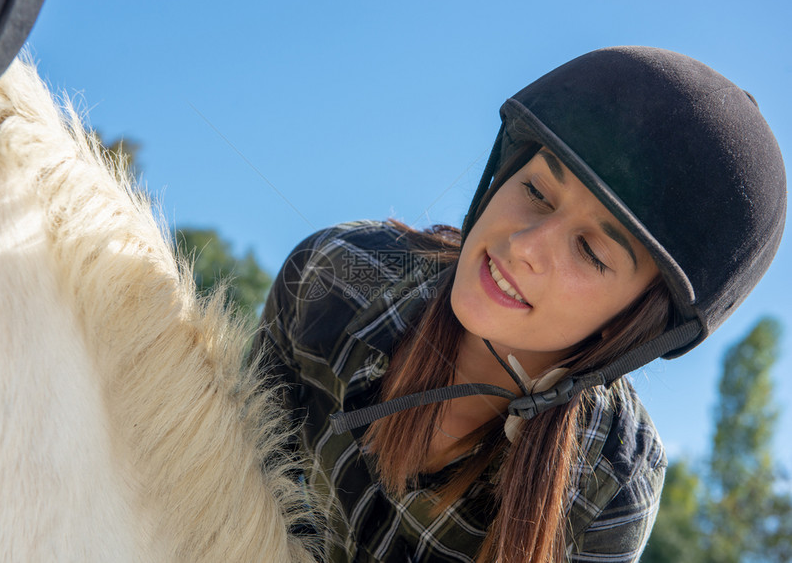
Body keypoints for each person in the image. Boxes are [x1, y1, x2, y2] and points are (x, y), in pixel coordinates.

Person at [251, 47, 786, 563]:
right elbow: (217, 478)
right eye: (536, 191)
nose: (524, 247)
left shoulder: (610, 483)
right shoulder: (332, 276)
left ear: (636, 325)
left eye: (590, 251)